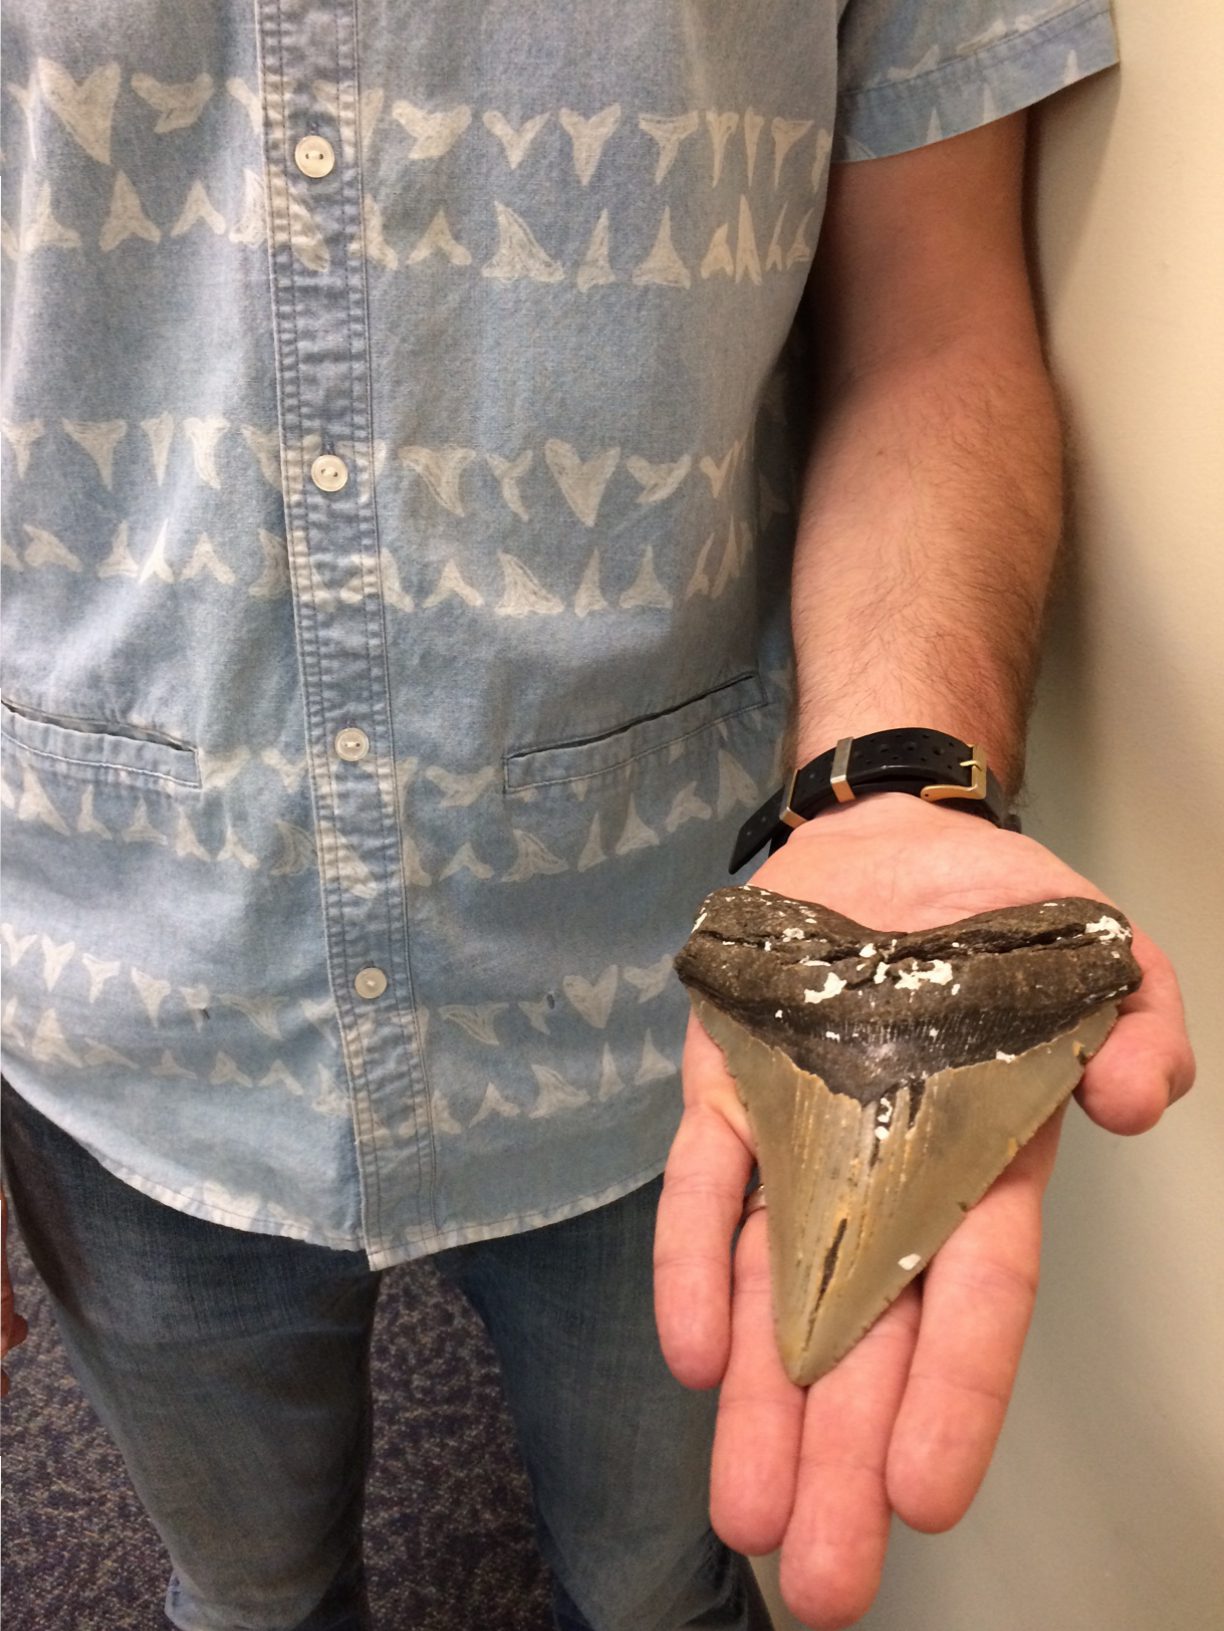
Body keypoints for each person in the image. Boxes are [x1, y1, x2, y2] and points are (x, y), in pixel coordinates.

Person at [0, 3, 1195, 1629]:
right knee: (248, 1597)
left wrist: (897, 775)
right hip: (105, 987)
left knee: (660, 1588)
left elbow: (931, 316)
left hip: (655, 990)